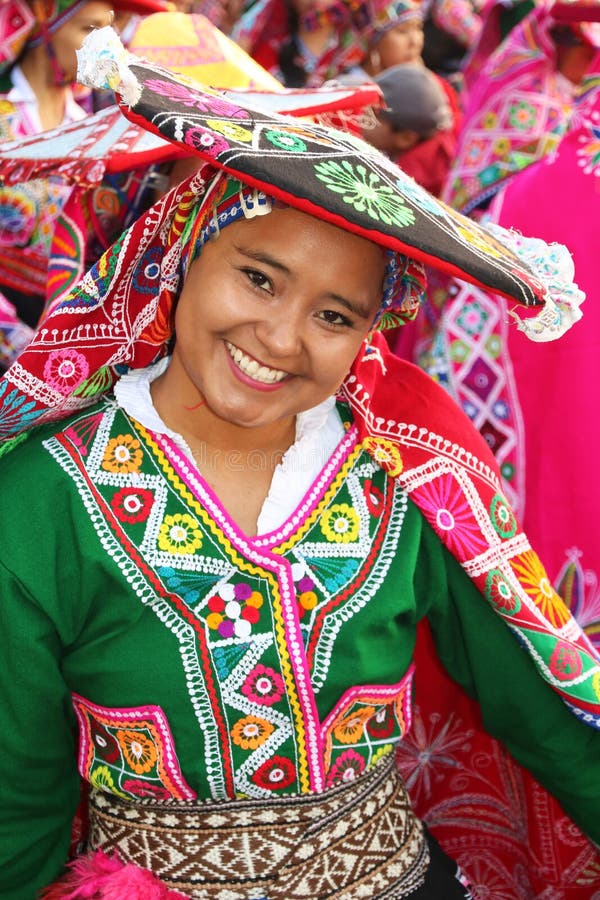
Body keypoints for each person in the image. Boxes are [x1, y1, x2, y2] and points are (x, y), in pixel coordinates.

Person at [0, 26, 599, 900]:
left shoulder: (406, 476)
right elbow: (17, 801)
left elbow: (541, 710)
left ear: (373, 329)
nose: (279, 340)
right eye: (260, 278)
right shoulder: (39, 501)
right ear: (183, 253)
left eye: (334, 315)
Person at [363, 63, 459, 196]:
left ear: (405, 138)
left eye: (372, 114)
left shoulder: (406, 187)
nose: (360, 115)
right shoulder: (441, 129)